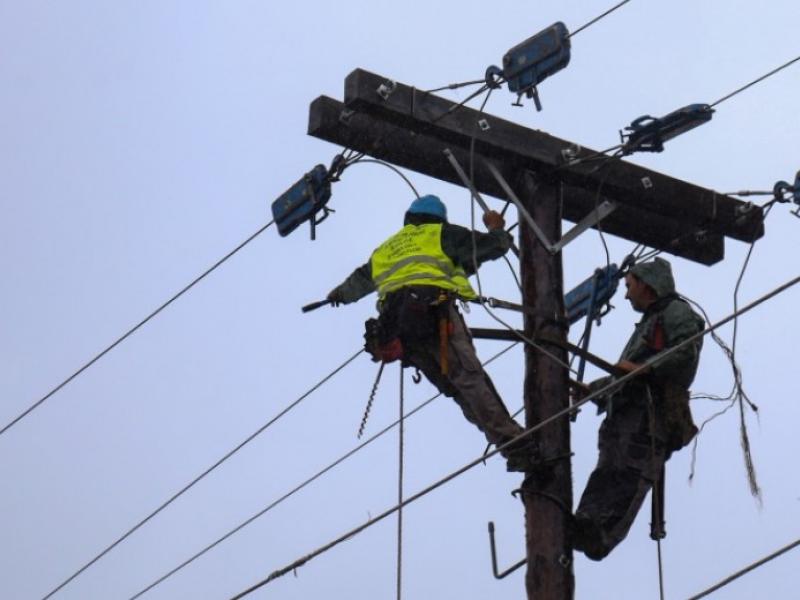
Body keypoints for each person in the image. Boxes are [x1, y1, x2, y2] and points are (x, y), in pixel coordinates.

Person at [326, 194, 533, 471]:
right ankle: (516, 445)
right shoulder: (442, 234)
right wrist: (496, 228)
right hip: (435, 316)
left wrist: (338, 294)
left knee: (457, 390)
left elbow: (360, 280)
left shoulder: (386, 248)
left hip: (401, 330)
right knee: (469, 380)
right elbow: (492, 247)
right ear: (439, 218)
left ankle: (511, 447)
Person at [572, 257, 704, 560]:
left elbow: (685, 351)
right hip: (626, 414)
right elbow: (629, 371)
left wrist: (644, 369)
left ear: (646, 284)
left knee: (629, 475)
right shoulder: (649, 321)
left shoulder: (676, 312)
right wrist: (593, 390)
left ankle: (603, 535)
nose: (626, 293)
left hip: (650, 414)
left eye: (629, 286)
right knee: (607, 471)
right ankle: (585, 523)